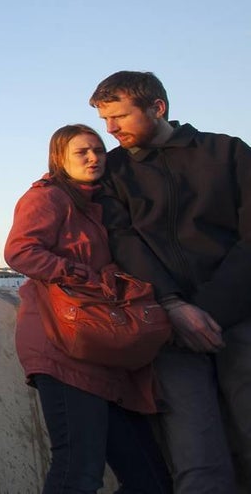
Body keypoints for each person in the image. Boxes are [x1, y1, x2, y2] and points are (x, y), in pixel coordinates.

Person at [90, 71, 251, 491]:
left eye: (120, 116)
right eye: (106, 120)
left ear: (158, 108)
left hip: (242, 318)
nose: (111, 130)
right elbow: (124, 242)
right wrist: (176, 306)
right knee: (196, 458)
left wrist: (211, 311)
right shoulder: (114, 174)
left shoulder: (228, 152)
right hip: (168, 327)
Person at [5, 124, 170, 494]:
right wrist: (85, 276)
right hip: (60, 343)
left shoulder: (93, 201)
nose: (95, 157)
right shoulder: (48, 197)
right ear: (59, 159)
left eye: (98, 150)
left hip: (99, 344)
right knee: (78, 471)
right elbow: (20, 251)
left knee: (149, 478)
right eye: (82, 152)